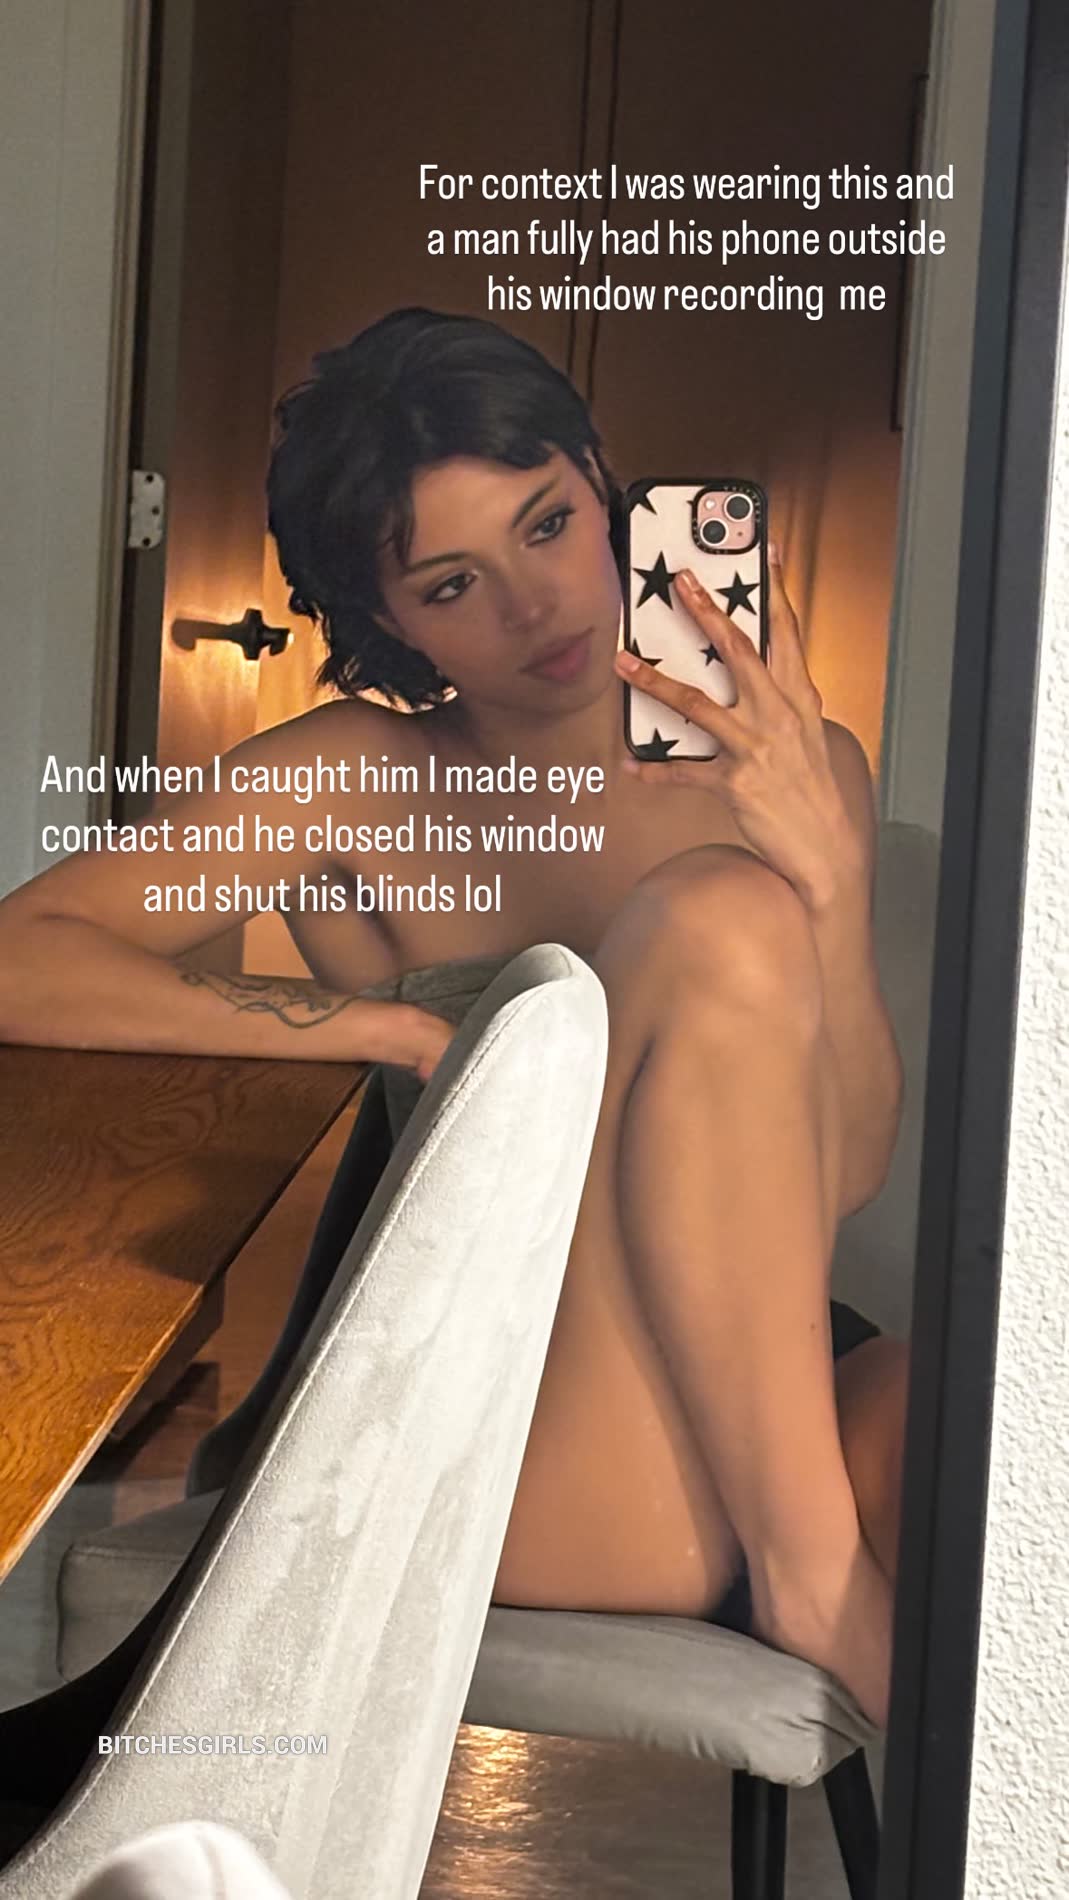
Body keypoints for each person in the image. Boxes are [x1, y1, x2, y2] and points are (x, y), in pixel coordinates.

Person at [0, 309, 907, 1732]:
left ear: (601, 480)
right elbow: (23, 958)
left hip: (764, 1384)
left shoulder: (790, 766)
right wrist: (388, 1034)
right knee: (721, 912)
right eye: (452, 583)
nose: (536, 607)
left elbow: (839, 1175)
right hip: (515, 1430)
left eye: (548, 524)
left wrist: (833, 879)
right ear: (390, 622)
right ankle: (813, 1582)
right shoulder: (358, 778)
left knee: (981, 1434)